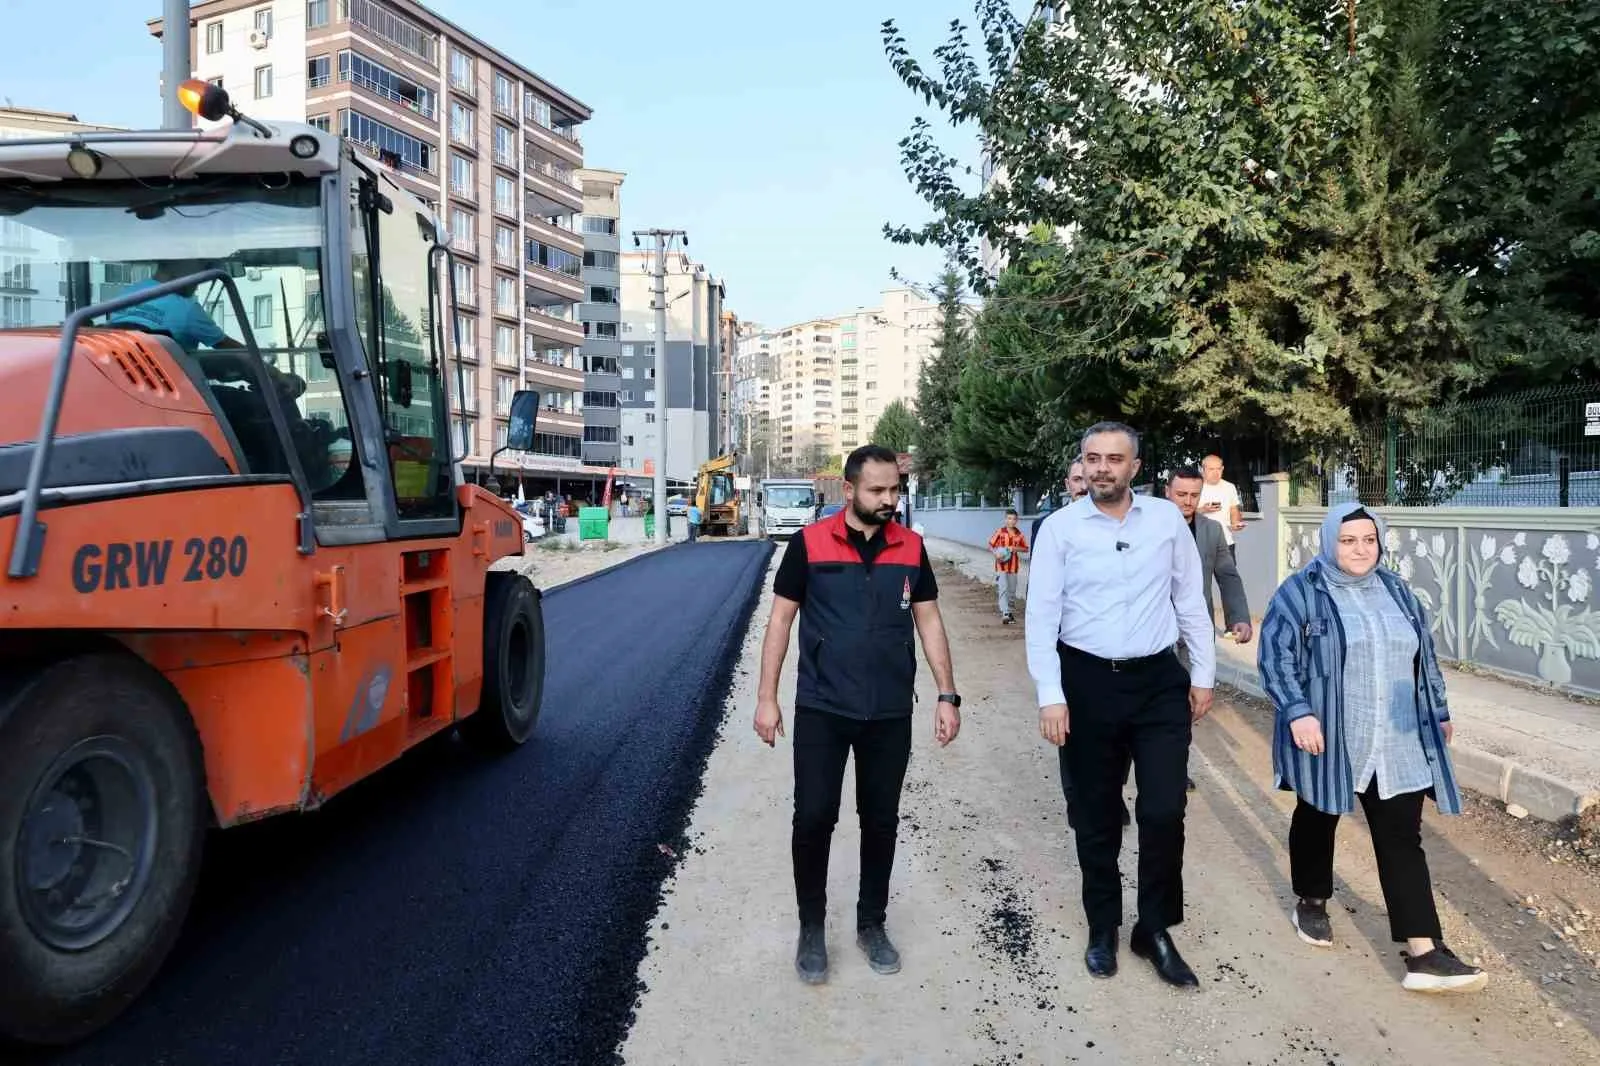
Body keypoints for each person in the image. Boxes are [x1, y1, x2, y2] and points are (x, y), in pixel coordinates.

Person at [1258, 502, 1486, 994]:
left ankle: (1423, 952)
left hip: (1398, 737)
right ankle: (1313, 900)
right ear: (1328, 542)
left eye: (1368, 540)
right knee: (1318, 817)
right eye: (1348, 540)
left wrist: (1439, 712)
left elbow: (1425, 658)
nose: (1360, 550)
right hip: (1333, 733)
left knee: (1401, 838)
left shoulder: (1398, 591)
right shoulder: (1301, 594)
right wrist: (1297, 711)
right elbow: (1276, 658)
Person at [754, 444, 961, 986]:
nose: (889, 500)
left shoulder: (911, 548)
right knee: (815, 816)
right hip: (823, 707)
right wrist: (767, 697)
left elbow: (930, 621)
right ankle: (811, 927)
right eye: (877, 491)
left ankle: (871, 923)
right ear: (848, 491)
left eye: (895, 490)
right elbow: (780, 623)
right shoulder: (808, 545)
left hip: (889, 711)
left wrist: (947, 693)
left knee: (882, 819)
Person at [1025, 421, 1214, 989]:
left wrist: (1202, 674)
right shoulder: (1060, 530)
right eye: (1092, 458)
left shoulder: (1163, 522)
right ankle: (1103, 925)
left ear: (1135, 466)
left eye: (1114, 458)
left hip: (1157, 682)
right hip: (1086, 684)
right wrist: (1051, 696)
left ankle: (1153, 928)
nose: (1103, 467)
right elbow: (1041, 617)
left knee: (1163, 810)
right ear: (1082, 463)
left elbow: (1189, 597)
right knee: (1097, 814)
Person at [107, 260, 245, 351]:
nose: (205, 275)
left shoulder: (125, 294)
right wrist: (266, 369)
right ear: (175, 263)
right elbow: (233, 352)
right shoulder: (187, 309)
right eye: (202, 265)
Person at [1197, 455, 1245, 562]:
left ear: (1222, 469)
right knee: (1202, 578)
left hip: (1226, 542)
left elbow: (1233, 509)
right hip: (1201, 543)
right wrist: (1202, 510)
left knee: (1230, 577)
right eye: (1211, 469)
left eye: (1218, 469)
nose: (1215, 473)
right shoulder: (1195, 486)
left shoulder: (1229, 487)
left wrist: (1235, 522)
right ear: (1202, 470)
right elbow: (1184, 513)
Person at [1031, 459, 1087, 548]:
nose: (1084, 487)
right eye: (1077, 479)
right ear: (1067, 485)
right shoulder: (1044, 525)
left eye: (1088, 479)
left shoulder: (1112, 523)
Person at [988, 509, 1028, 624]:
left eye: (1014, 519)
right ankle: (1005, 613)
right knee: (1003, 588)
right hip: (1001, 566)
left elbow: (1026, 548)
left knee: (1012, 590)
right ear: (1005, 519)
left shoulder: (1019, 535)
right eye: (1009, 518)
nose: (1011, 521)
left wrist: (1014, 548)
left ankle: (1010, 611)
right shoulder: (1000, 532)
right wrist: (996, 553)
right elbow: (991, 544)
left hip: (1013, 567)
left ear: (1017, 520)